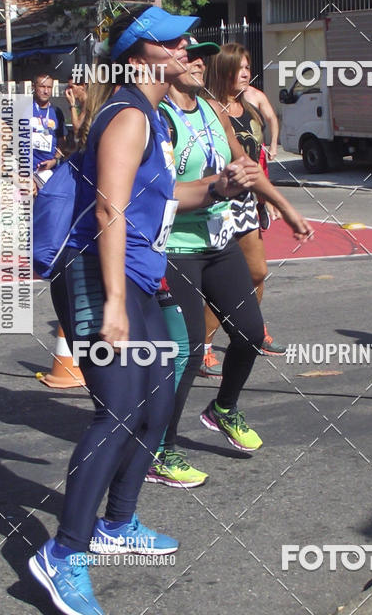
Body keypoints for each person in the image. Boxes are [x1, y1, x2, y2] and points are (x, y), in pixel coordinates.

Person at [29, 5, 255, 615]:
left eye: (191, 44)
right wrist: (115, 305)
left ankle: (117, 524)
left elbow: (156, 197)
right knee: (121, 408)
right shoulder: (128, 114)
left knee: (159, 399)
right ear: (139, 56)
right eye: (175, 43)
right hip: (97, 275)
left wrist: (217, 188)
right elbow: (108, 209)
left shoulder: (151, 118)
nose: (191, 51)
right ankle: (63, 553)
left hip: (135, 275)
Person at [144, 36, 312, 489]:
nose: (196, 61)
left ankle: (222, 408)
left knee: (252, 334)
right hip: (174, 248)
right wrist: (215, 187)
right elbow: (155, 193)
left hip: (218, 241)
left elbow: (248, 168)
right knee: (189, 349)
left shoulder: (213, 112)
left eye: (202, 55)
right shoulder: (158, 117)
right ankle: (161, 449)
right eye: (187, 55)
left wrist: (288, 209)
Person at [202, 43, 287, 376]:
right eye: (238, 67)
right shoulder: (209, 107)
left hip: (249, 200)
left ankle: (252, 329)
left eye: (248, 66)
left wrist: (266, 195)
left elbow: (257, 153)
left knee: (257, 271)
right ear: (223, 70)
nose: (246, 72)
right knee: (219, 278)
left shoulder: (249, 105)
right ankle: (203, 344)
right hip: (218, 201)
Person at [30, 72, 66, 173]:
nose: (46, 91)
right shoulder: (24, 109)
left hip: (50, 169)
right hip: (27, 169)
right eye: (42, 86)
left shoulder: (57, 112)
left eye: (49, 87)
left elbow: (62, 141)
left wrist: (54, 161)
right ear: (34, 87)